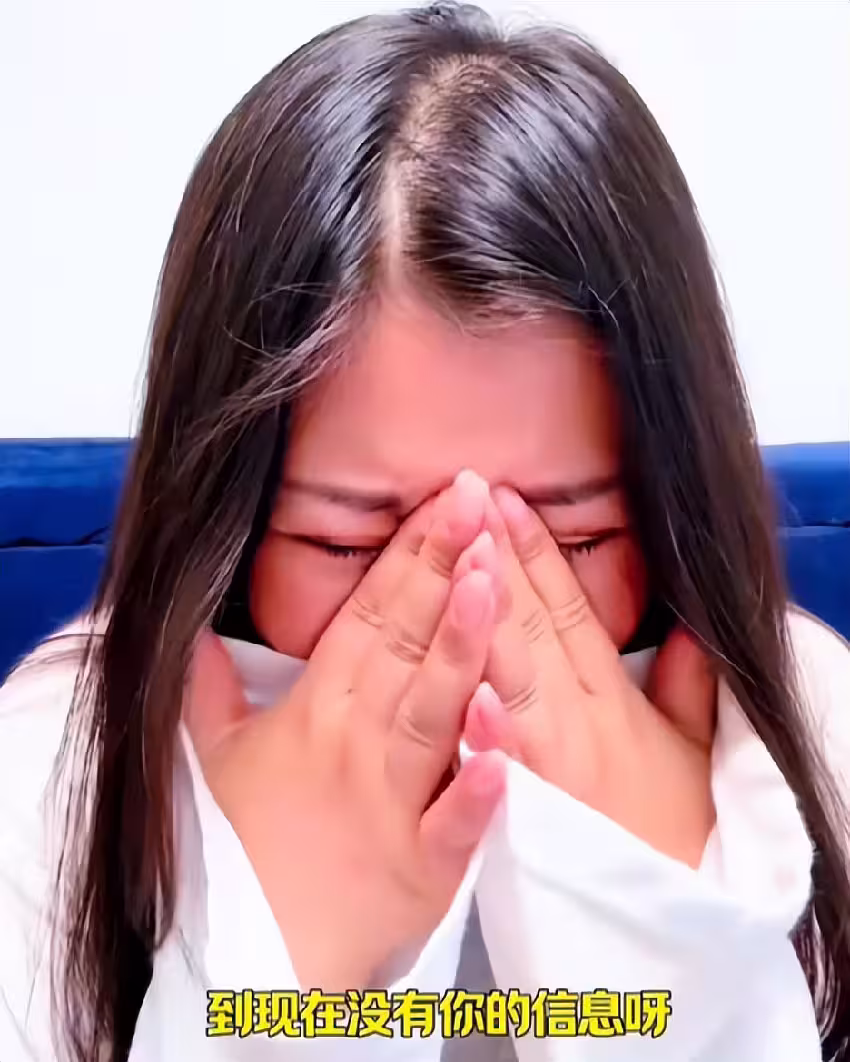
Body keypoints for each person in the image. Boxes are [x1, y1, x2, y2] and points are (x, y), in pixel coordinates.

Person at [1, 3, 848, 1060]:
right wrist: (277, 978)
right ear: (219, 529)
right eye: (351, 547)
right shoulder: (57, 775)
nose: (468, 618)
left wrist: (676, 942)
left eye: (570, 541)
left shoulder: (804, 732)